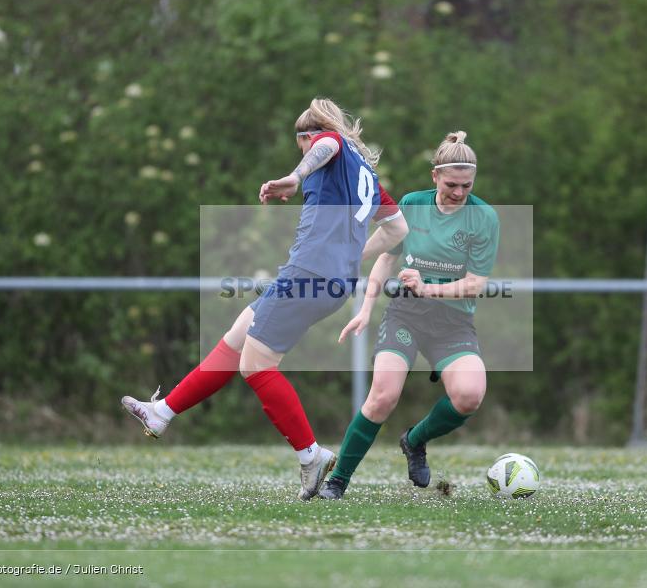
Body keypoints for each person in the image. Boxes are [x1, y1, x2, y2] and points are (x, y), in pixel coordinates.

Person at [121, 98, 408, 501]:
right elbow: (398, 229)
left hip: (307, 274)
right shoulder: (366, 174)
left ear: (307, 137)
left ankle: (310, 454)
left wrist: (296, 174)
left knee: (256, 366)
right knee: (238, 336)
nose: (305, 152)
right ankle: (163, 411)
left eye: (301, 145)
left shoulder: (328, 146)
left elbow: (326, 147)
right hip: (330, 280)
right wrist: (349, 255)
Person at [317, 131, 499, 499]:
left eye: (467, 185)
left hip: (453, 322)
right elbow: (386, 255)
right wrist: (366, 307)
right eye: (452, 184)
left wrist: (428, 287)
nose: (460, 192)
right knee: (382, 396)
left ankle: (414, 441)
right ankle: (337, 482)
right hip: (407, 315)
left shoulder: (484, 218)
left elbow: (475, 284)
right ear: (435, 176)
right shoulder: (412, 205)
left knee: (469, 395)